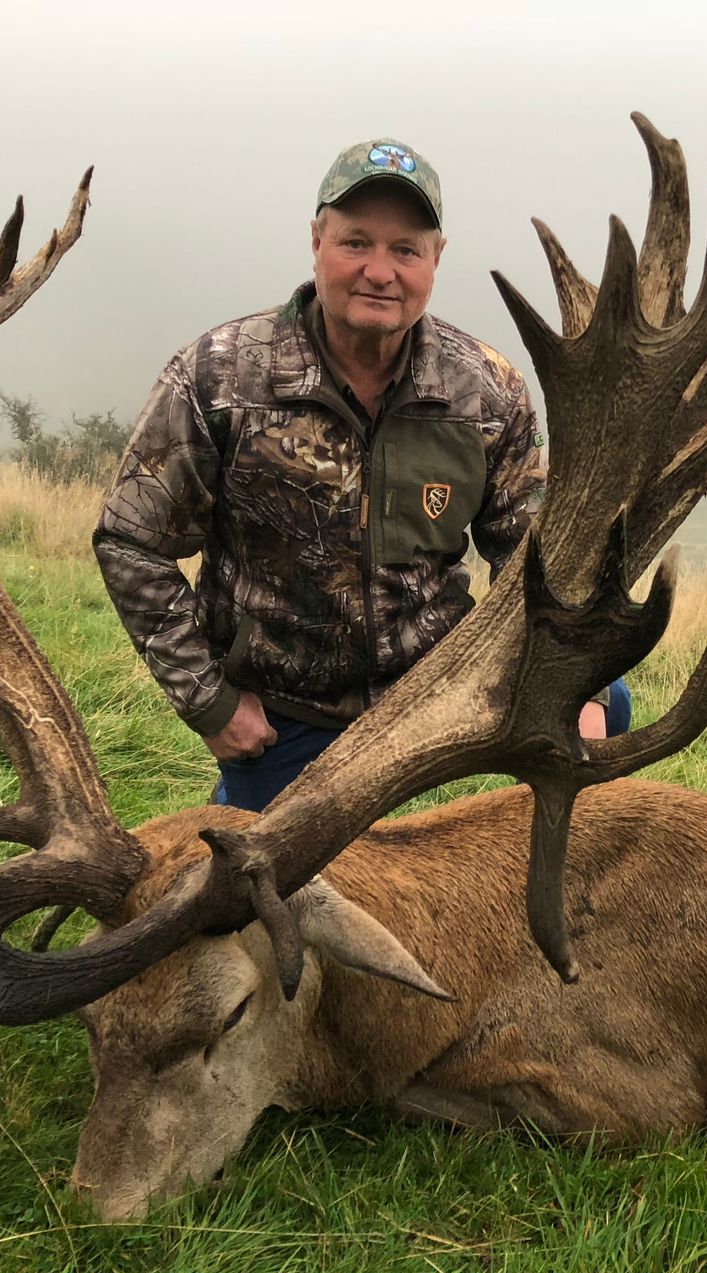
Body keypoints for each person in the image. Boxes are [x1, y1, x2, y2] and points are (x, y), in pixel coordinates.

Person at [95, 136, 631, 812]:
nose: (381, 271)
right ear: (317, 241)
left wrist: (575, 692)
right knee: (260, 903)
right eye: (356, 243)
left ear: (435, 260)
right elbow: (130, 542)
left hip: (442, 695)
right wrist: (210, 701)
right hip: (289, 713)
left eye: (405, 249)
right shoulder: (217, 375)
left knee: (610, 712)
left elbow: (540, 563)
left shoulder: (488, 392)